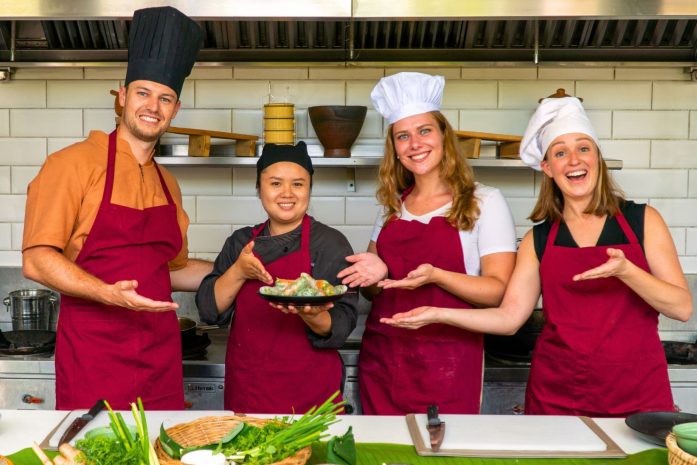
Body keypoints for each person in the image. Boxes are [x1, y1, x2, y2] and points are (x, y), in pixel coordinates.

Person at [382, 95, 693, 417]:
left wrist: (627, 271)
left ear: (597, 158)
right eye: (560, 152)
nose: (574, 160)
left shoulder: (642, 221)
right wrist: (437, 313)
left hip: (637, 389)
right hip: (557, 393)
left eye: (584, 148)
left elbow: (682, 307)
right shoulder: (538, 239)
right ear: (547, 167)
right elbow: (509, 319)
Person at [21, 6, 213, 410]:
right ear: (122, 96)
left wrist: (245, 269)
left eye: (165, 98)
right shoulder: (71, 164)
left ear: (175, 110)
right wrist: (109, 294)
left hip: (160, 359)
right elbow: (38, 260)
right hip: (94, 356)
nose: (153, 106)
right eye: (143, 93)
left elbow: (172, 270)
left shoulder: (169, 183)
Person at [337, 72, 517, 415]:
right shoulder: (392, 206)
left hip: (449, 360)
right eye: (403, 136)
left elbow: (497, 291)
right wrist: (374, 272)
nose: (414, 143)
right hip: (384, 358)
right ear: (395, 149)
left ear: (444, 135)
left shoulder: (485, 202)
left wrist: (437, 276)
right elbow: (373, 288)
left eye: (424, 131)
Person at [196, 141, 358, 413]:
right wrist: (238, 271)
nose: (287, 193)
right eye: (275, 183)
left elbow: (343, 324)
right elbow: (209, 309)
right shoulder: (241, 243)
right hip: (250, 392)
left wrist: (311, 314)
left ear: (309, 189)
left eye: (298, 184)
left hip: (312, 399)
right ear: (259, 190)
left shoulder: (331, 243)